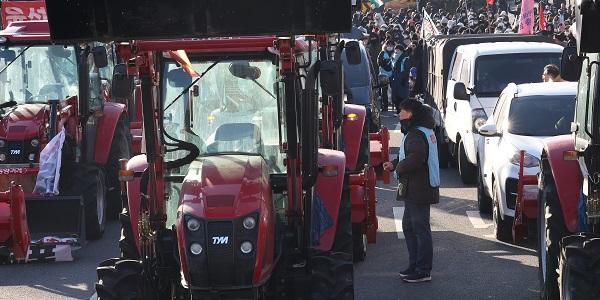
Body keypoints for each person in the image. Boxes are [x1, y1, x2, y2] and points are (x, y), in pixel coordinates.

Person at [383, 100, 440, 283]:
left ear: (411, 114)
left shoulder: (416, 134)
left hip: (419, 188)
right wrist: (393, 164)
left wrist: (398, 167)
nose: (399, 114)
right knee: (409, 226)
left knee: (419, 228)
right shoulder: (422, 130)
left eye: (402, 111)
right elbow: (408, 154)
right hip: (417, 187)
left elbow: (415, 158)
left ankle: (423, 270)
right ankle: (415, 265)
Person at [390, 45, 410, 114]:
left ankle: (402, 110)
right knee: (395, 95)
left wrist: (403, 77)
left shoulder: (405, 58)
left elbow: (406, 69)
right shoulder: (393, 57)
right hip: (395, 78)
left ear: (401, 50)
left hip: (402, 78)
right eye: (395, 50)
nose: (396, 51)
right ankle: (398, 109)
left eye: (398, 50)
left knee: (402, 95)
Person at [378, 40, 396, 112]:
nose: (390, 47)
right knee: (384, 90)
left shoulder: (395, 53)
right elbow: (378, 61)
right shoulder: (382, 53)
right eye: (388, 45)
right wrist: (384, 64)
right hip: (383, 73)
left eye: (391, 45)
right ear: (386, 45)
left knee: (394, 89)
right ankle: (384, 106)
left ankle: (394, 105)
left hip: (392, 73)